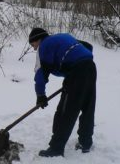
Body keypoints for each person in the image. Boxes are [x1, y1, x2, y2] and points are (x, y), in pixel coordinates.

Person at [28, 26, 97, 157]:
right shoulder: (62, 37)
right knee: (88, 107)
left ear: (38, 39)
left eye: (33, 44)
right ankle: (85, 142)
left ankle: (56, 148)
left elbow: (40, 74)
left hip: (76, 72)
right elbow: (87, 46)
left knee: (65, 111)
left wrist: (40, 95)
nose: (34, 48)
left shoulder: (44, 46)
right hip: (90, 67)